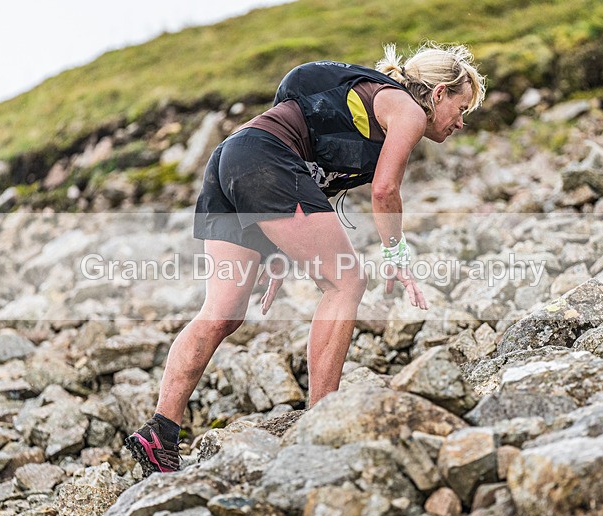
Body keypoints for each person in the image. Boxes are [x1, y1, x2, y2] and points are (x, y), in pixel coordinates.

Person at [124, 41, 486, 476]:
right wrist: (396, 252)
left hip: (231, 160)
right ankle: (322, 420)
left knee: (222, 313)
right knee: (347, 283)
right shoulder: (407, 109)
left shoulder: (372, 110)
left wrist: (278, 250)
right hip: (264, 160)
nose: (461, 122)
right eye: (462, 107)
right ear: (440, 92)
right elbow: (385, 190)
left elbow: (317, 185)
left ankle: (160, 434)